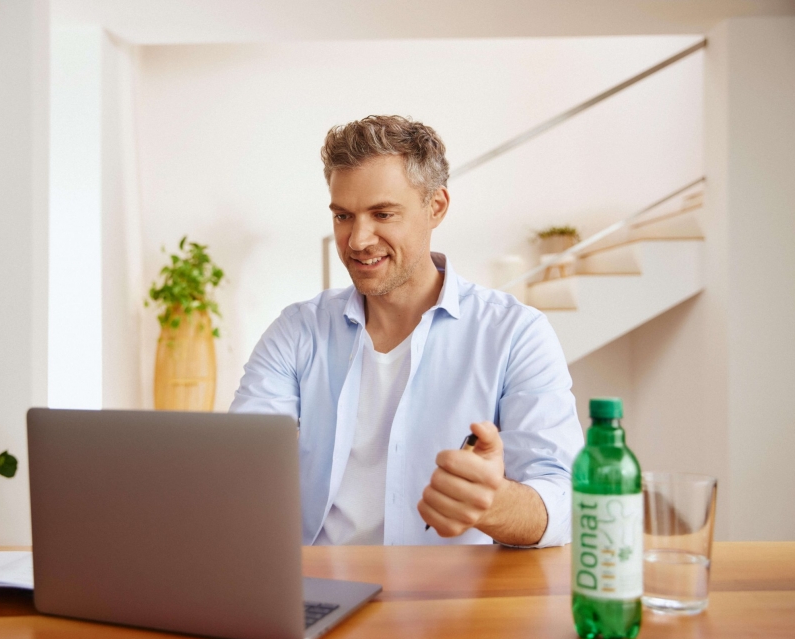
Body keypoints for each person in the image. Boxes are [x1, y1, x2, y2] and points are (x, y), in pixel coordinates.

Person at [229, 115, 583, 547]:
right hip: (320, 587)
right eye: (343, 216)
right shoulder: (298, 331)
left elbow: (565, 498)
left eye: (383, 214)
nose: (358, 240)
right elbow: (241, 465)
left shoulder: (515, 335)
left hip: (448, 599)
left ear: (436, 207)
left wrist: (494, 504)